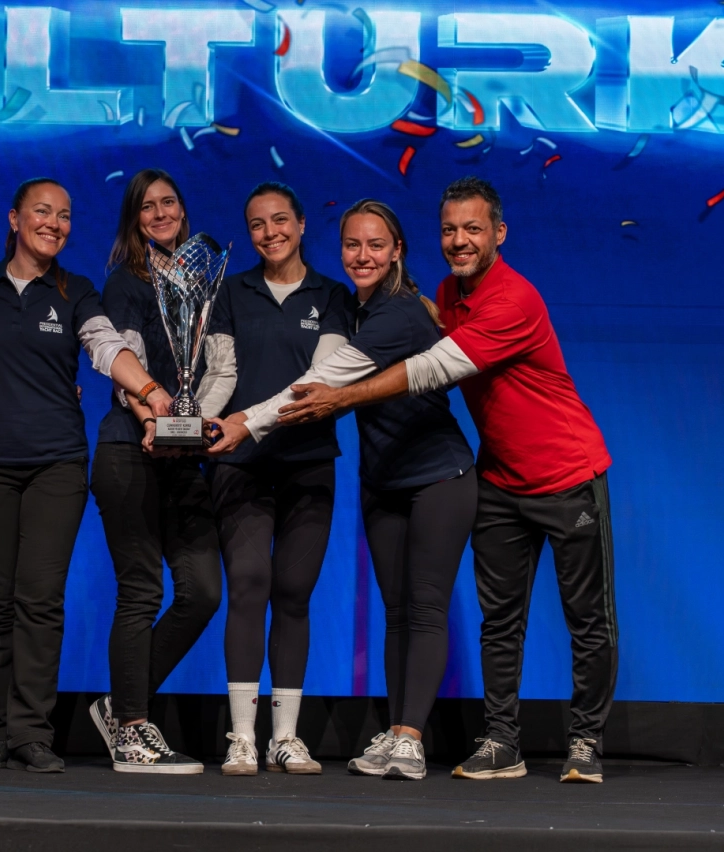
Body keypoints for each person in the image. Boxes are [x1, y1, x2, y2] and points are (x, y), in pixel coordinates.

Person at [276, 177, 617, 784]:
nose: (460, 241)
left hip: (567, 474)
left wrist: (340, 398)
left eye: (473, 229)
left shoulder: (515, 299)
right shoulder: (445, 294)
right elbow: (423, 329)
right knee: (500, 622)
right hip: (500, 480)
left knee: (586, 620)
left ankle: (586, 741)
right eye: (450, 230)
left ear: (499, 234)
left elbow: (432, 368)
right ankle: (502, 741)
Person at [207, 200, 477, 781]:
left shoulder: (398, 313)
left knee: (425, 607)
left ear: (398, 250)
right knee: (397, 612)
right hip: (383, 479)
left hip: (438, 475)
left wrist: (245, 422)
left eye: (376, 245)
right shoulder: (354, 308)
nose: (363, 256)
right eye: (353, 245)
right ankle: (395, 730)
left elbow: (322, 382)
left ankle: (411, 738)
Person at [0, 177, 173, 773]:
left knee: (40, 600)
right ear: (14, 218)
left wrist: (150, 390)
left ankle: (32, 733)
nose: (54, 223)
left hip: (57, 464)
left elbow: (106, 347)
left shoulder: (75, 291)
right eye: (42, 211)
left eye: (65, 215)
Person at [195, 182, 352, 776]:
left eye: (280, 220)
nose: (270, 232)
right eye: (257, 224)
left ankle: (285, 738)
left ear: (302, 224)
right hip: (239, 465)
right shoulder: (230, 292)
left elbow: (320, 381)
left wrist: (247, 422)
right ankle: (241, 736)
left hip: (308, 463)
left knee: (293, 593)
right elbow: (220, 374)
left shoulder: (332, 296)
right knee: (249, 584)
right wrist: (193, 423)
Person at [87, 169, 222, 773]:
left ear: (184, 211)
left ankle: (122, 705)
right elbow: (125, 364)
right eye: (148, 206)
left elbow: (216, 367)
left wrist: (196, 424)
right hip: (130, 448)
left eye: (169, 202)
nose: (161, 213)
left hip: (183, 458)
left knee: (203, 592)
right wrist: (151, 417)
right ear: (134, 219)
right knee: (141, 590)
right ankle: (133, 730)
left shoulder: (203, 284)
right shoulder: (125, 282)